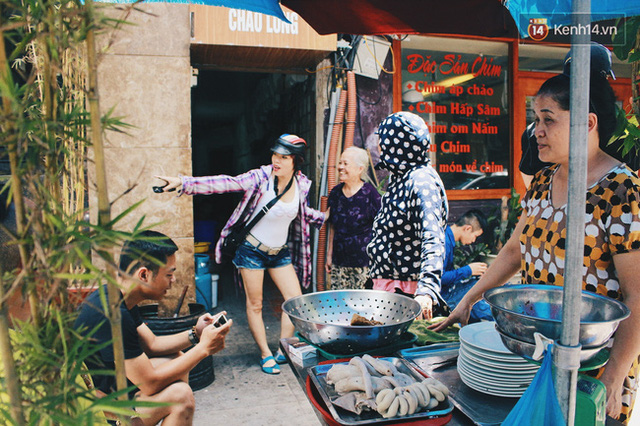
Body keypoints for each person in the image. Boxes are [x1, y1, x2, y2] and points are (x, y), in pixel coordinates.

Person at [434, 72, 640, 423]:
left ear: (587, 123)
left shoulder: (621, 191)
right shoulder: (544, 179)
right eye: (535, 119)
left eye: (548, 119)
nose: (536, 131)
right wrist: (469, 300)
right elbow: (515, 251)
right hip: (536, 357)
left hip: (595, 369)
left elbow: (638, 295)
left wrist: (614, 376)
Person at [155, 134, 326, 375]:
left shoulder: (302, 184)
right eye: (275, 155)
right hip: (251, 251)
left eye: (284, 157)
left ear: (296, 161)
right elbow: (226, 183)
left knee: (294, 303)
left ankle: (282, 349)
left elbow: (298, 211)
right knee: (255, 304)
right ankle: (266, 354)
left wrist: (323, 217)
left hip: (279, 252)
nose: (276, 160)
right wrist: (184, 184)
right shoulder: (260, 178)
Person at [75, 230, 232, 425]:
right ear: (144, 274)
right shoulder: (113, 314)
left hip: (112, 388)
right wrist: (203, 349)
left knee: (175, 358)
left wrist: (196, 333)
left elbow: (153, 343)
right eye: (169, 274)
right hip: (100, 413)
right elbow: (149, 383)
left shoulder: (117, 295)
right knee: (181, 397)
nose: (173, 281)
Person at [519, 42, 639, 188]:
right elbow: (631, 178)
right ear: (603, 79)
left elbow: (530, 181)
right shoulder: (621, 130)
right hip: (607, 207)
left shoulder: (536, 130)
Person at [367, 111, 449, 320]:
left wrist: (427, 290)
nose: (379, 147)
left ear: (397, 144)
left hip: (407, 296)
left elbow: (433, 238)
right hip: (389, 290)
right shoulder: (401, 177)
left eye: (383, 141)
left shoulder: (421, 181)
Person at [325, 146, 381, 289]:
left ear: (360, 169)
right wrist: (329, 255)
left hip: (363, 264)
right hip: (339, 262)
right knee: (339, 305)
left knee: (362, 307)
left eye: (345, 164)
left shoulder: (370, 194)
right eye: (340, 163)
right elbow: (332, 226)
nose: (340, 167)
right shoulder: (335, 193)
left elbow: (381, 227)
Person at [439, 209, 492, 322]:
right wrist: (468, 270)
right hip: (444, 299)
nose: (474, 240)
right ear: (467, 228)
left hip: (448, 291)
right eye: (475, 236)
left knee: (480, 285)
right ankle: (508, 319)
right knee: (478, 293)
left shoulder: (447, 236)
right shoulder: (444, 241)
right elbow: (439, 277)